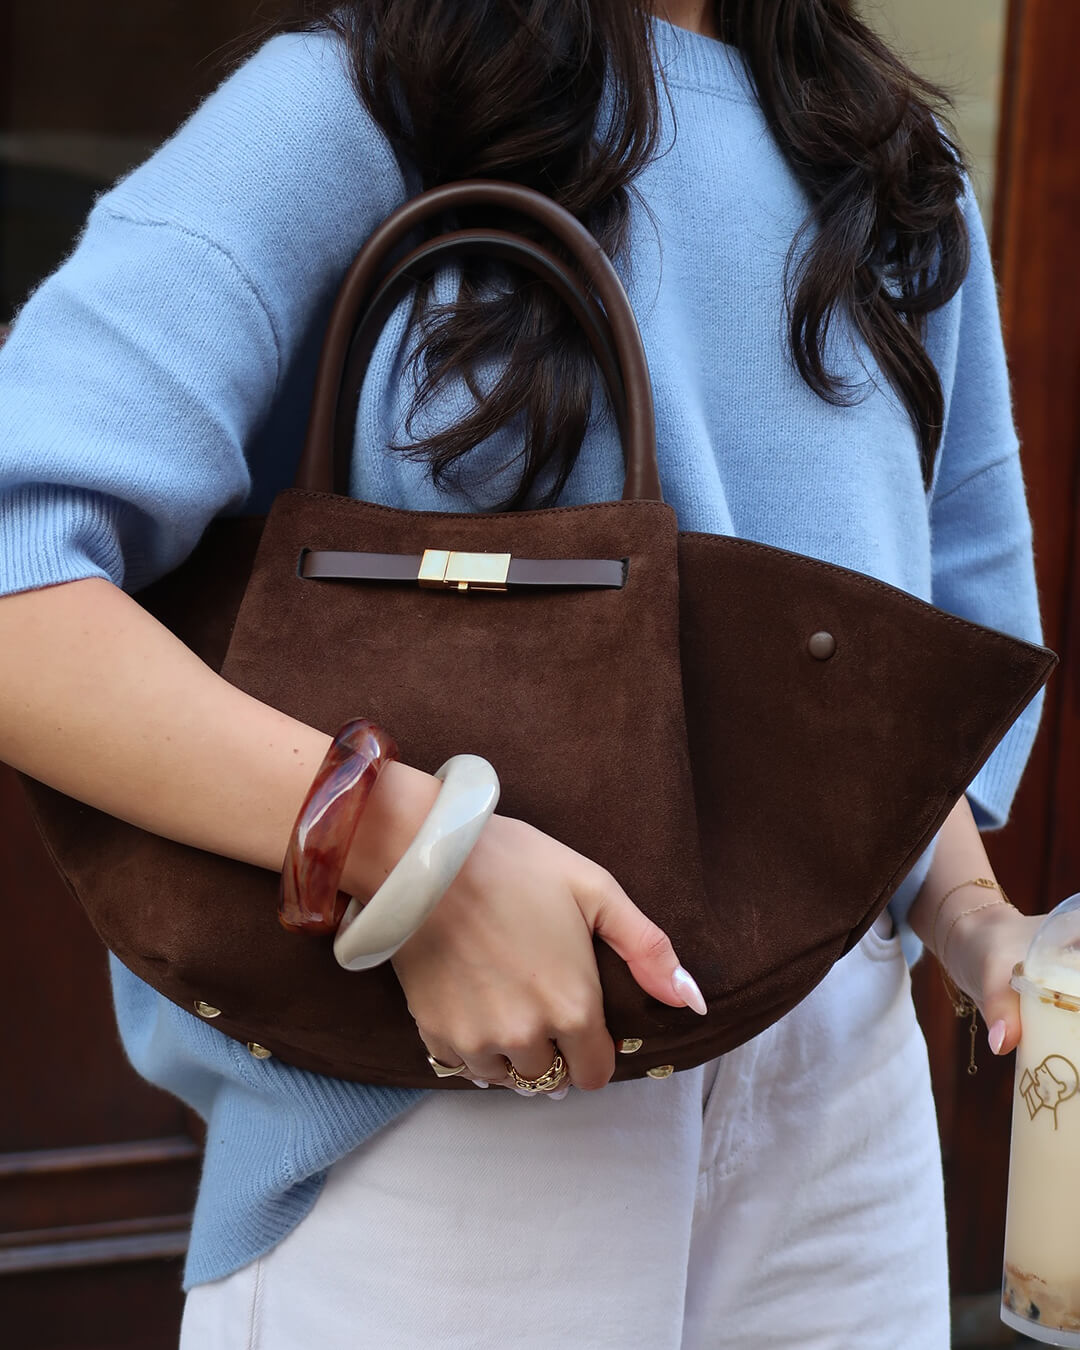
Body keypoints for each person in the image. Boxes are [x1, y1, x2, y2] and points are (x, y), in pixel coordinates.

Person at [0, 2, 1047, 1345]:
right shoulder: (365, 101)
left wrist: (970, 912)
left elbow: (866, 660)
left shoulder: (894, 167)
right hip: (439, 1103)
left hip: (842, 1111)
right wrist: (409, 854)